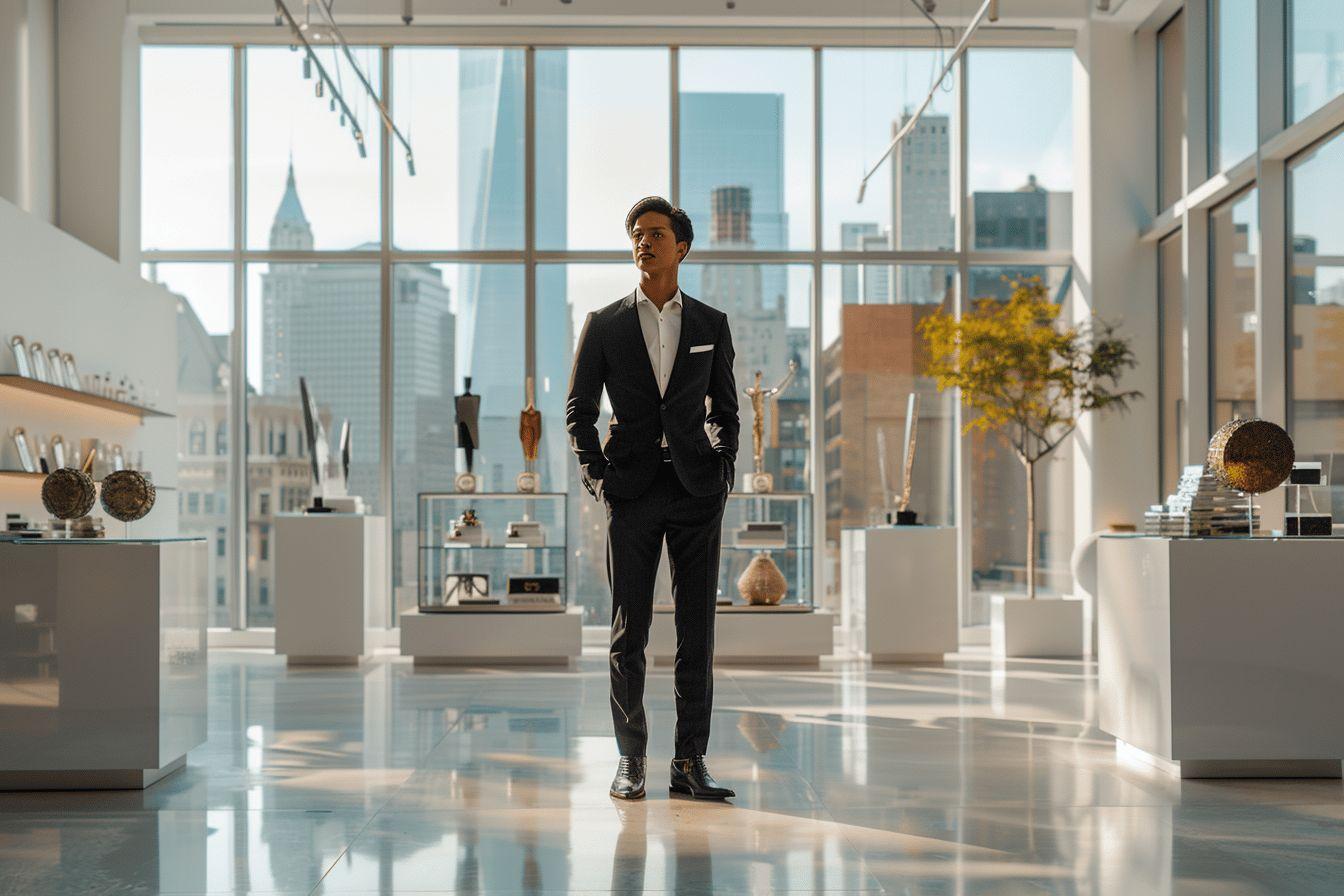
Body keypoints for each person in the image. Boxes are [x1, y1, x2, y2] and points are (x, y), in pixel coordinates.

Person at [566, 196, 740, 801]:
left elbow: (726, 409)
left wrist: (722, 469)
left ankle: (689, 760)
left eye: (657, 233)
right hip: (632, 492)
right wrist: (599, 479)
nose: (645, 241)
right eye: (637, 234)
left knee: (698, 633)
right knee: (627, 631)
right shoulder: (605, 323)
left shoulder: (710, 324)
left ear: (681, 246)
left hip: (696, 491)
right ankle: (631, 759)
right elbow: (578, 412)